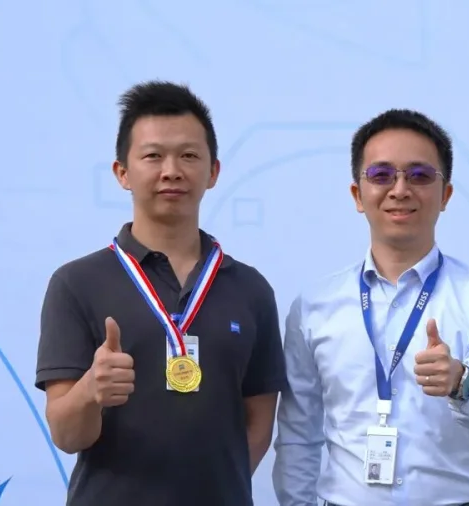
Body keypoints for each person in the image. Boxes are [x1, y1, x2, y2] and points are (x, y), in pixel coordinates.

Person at [35, 80, 287, 506]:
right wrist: (91, 389)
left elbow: (258, 421)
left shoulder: (250, 289)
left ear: (213, 172)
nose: (172, 170)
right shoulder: (76, 283)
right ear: (122, 173)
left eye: (189, 155)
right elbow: (66, 434)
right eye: (153, 156)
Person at [272, 109, 469, 506]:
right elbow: (297, 434)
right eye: (381, 175)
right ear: (358, 195)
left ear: (445, 196)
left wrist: (460, 381)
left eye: (420, 175)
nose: (400, 189)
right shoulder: (315, 306)